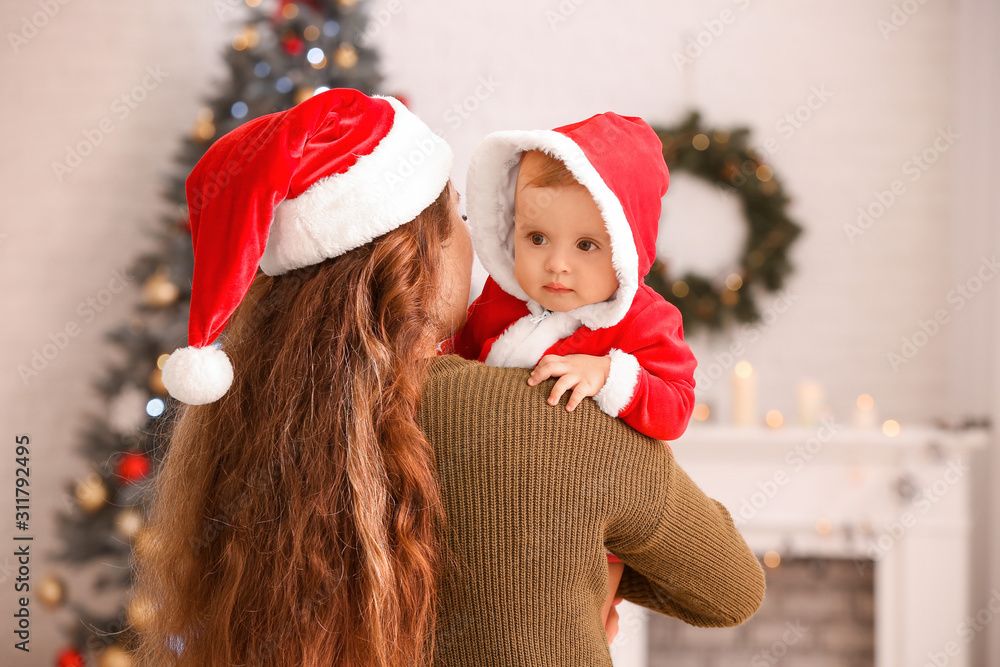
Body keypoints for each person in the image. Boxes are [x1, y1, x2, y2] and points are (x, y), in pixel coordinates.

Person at [130, 88, 765, 667]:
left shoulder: (247, 415)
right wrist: (594, 577)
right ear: (420, 260)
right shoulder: (556, 412)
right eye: (460, 219)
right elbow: (731, 588)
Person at [448, 112, 698, 637]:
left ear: (627, 249)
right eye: (536, 238)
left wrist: (611, 375)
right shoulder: (496, 304)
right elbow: (455, 372)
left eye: (586, 245)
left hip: (592, 521)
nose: (557, 265)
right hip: (492, 500)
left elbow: (676, 404)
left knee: (573, 627)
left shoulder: (643, 320)